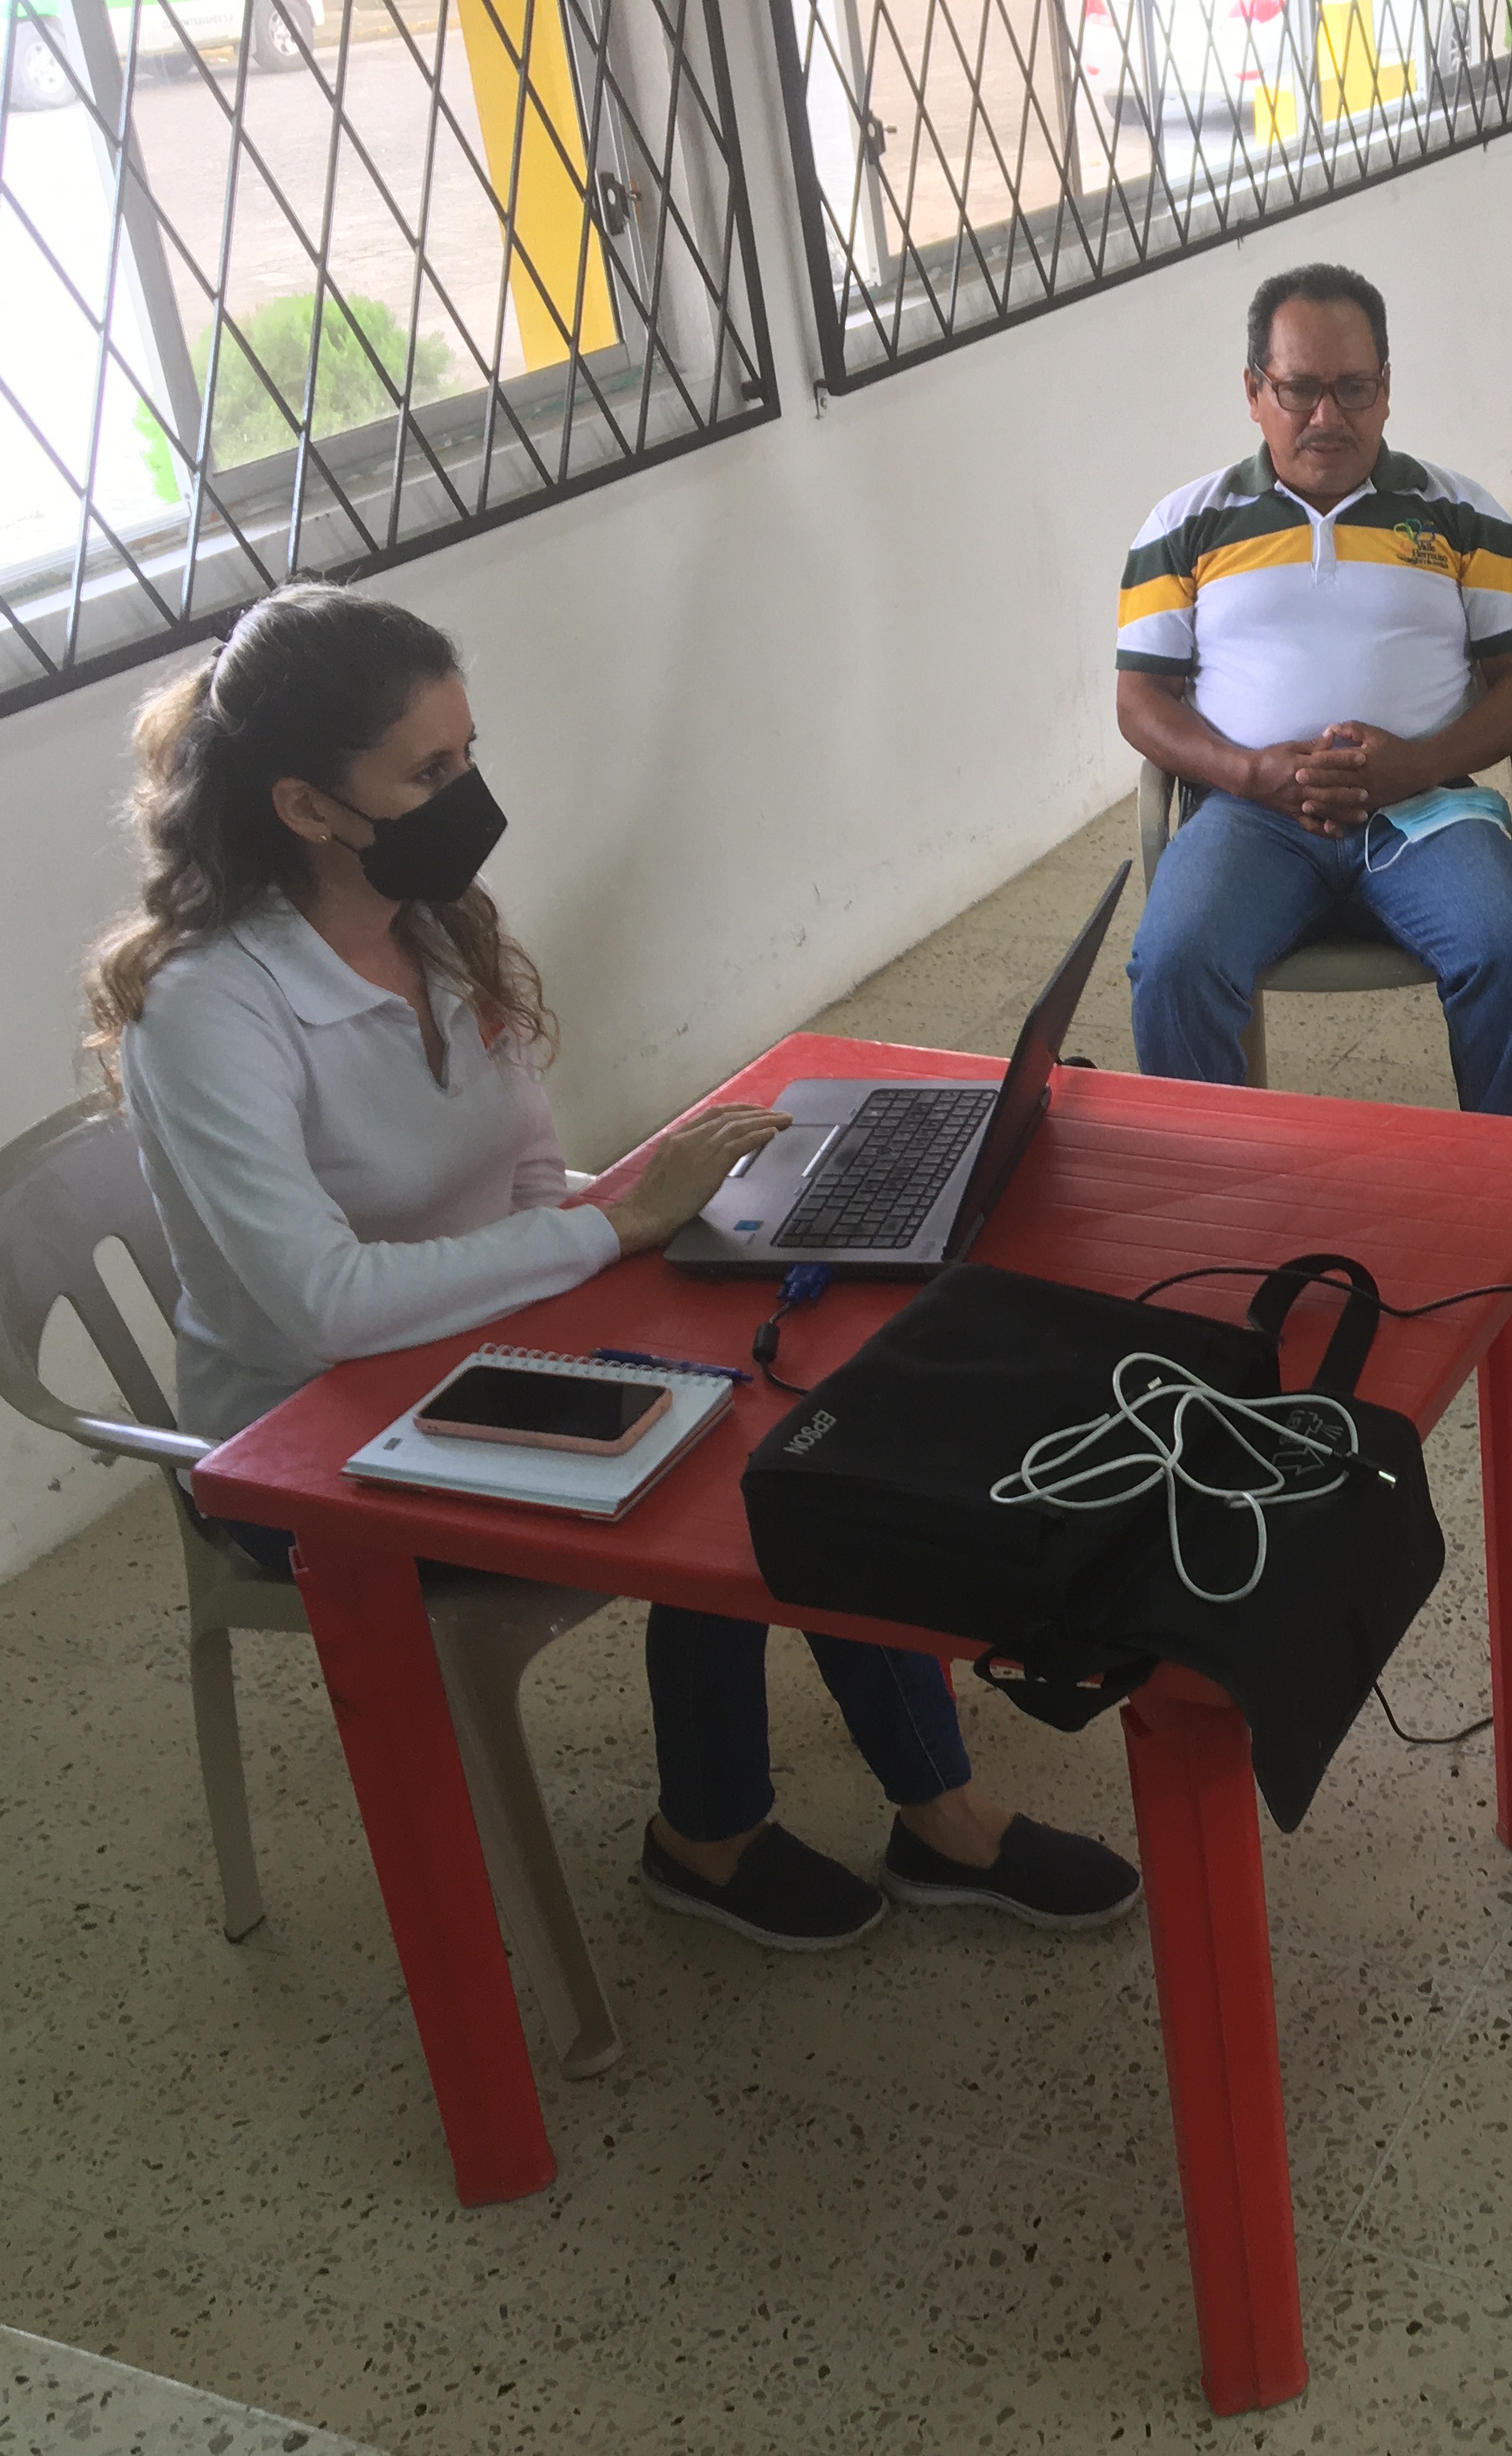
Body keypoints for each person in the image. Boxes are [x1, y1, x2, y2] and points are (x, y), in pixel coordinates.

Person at [89, 581, 1139, 1953]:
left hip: (475, 1347)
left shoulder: (429, 922)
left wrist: (678, 1226)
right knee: (736, 1462)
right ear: (307, 806)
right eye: (429, 772)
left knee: (813, 1401)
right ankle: (714, 1837)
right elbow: (324, 1304)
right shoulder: (207, 1008)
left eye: (468, 752)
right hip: (316, 1446)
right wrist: (624, 1226)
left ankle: (937, 1812)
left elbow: (529, 1177)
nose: (470, 797)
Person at [1115, 262, 1512, 1117]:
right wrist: (1251, 773)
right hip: (1250, 817)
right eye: (1299, 390)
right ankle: (1211, 1190)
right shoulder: (1183, 525)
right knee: (1173, 966)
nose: (1328, 417)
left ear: (1386, 390)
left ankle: (1511, 1186)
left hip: (1427, 813)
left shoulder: (1465, 514)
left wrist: (1415, 766)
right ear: (1254, 391)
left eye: (1354, 389)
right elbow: (1140, 698)